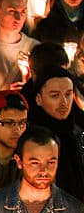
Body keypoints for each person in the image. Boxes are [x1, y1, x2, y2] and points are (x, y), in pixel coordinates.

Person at [29, 68, 84, 201]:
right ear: (39, 99)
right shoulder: (32, 139)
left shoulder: (78, 132)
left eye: (68, 94)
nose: (64, 102)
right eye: (55, 96)